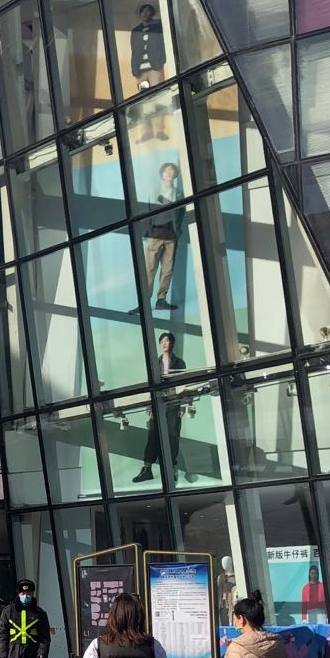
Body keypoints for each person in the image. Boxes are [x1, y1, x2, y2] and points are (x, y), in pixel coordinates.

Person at [133, 333, 186, 484]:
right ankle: (147, 469)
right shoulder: (154, 364)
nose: (164, 344)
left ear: (172, 343)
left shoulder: (179, 363)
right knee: (153, 435)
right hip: (157, 402)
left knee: (172, 435)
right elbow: (149, 386)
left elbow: (184, 384)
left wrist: (183, 404)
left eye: (167, 341)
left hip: (173, 403)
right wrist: (149, 406)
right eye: (161, 341)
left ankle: (171, 469)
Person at [142, 163, 183, 313]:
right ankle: (144, 301)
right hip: (156, 234)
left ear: (175, 173)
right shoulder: (155, 191)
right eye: (166, 170)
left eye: (172, 170)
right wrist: (149, 233)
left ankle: (161, 300)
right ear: (162, 174)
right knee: (149, 269)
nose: (169, 173)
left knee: (167, 269)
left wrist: (177, 231)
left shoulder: (179, 193)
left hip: (171, 235)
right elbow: (147, 211)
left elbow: (181, 213)